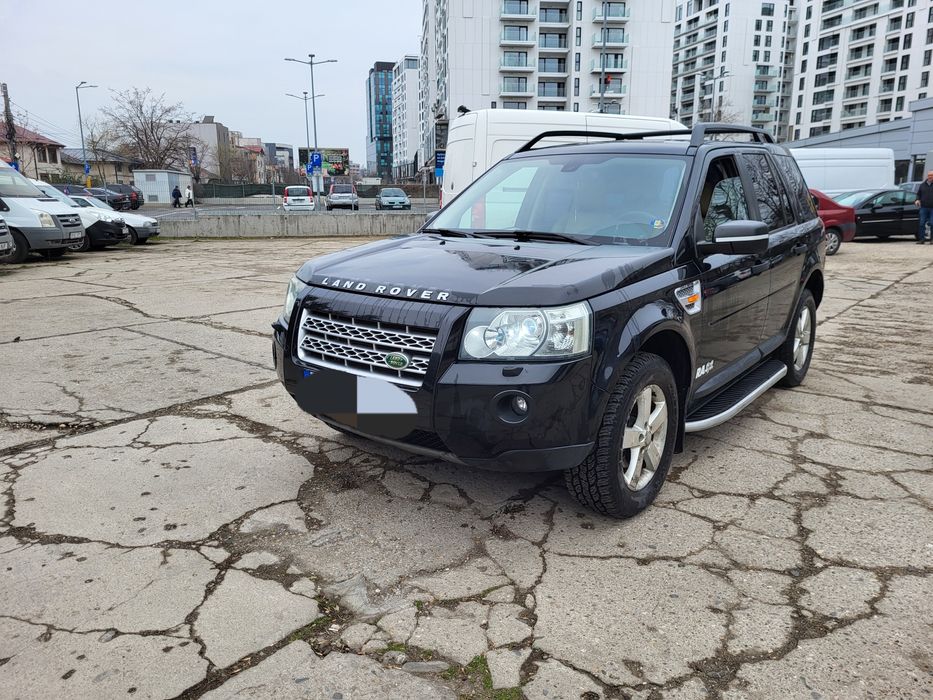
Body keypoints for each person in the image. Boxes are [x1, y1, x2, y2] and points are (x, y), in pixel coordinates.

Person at [913, 170, 933, 244]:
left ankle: (932, 239)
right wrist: (917, 200)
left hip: (932, 208)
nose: (930, 177)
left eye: (932, 175)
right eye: (929, 175)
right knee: (921, 223)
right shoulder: (922, 185)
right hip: (923, 207)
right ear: (927, 176)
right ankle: (922, 239)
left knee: (932, 223)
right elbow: (918, 194)